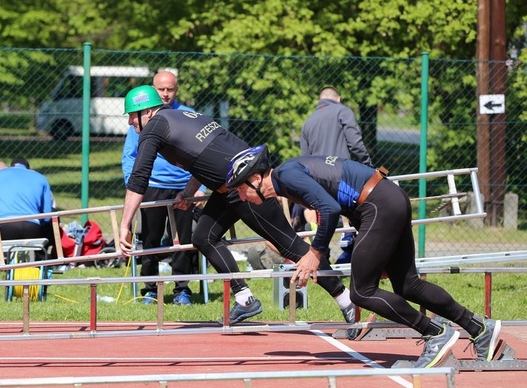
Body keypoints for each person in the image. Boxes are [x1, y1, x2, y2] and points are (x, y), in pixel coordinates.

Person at [225, 147, 502, 368]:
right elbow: (345, 198)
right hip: (387, 199)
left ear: (257, 178)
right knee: (408, 286)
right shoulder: (289, 176)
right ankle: (478, 327)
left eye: (240, 188)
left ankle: (434, 333)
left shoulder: (286, 177)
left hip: (379, 204)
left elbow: (330, 209)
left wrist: (315, 253)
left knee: (361, 292)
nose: (241, 195)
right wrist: (374, 245)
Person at [118, 85, 357, 329]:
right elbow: (201, 155)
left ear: (145, 112)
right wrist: (189, 191)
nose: (129, 122)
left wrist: (125, 224)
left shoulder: (153, 128)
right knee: (203, 236)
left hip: (246, 187)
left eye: (130, 115)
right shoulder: (180, 116)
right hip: (231, 185)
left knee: (292, 246)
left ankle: (346, 300)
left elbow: (139, 178)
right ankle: (245, 299)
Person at [121, 71, 205, 306]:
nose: (166, 94)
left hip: (183, 188)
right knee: (150, 239)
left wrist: (199, 188)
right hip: (152, 186)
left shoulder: (186, 115)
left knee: (183, 240)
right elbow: (130, 155)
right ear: (153, 90)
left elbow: (202, 152)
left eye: (170, 89)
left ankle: (182, 289)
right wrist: (132, 183)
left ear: (176, 90)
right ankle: (150, 289)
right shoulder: (142, 118)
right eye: (161, 89)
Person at [297, 86, 375, 263]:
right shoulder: (342, 111)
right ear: (338, 98)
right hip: (340, 173)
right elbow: (355, 143)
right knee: (355, 205)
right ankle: (348, 235)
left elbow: (304, 158)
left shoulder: (308, 122)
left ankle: (319, 237)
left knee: (320, 209)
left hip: (317, 178)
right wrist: (368, 166)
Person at [0, 157, 56, 262]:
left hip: (5, 225)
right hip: (33, 227)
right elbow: (47, 216)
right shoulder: (41, 178)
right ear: (28, 168)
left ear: (11, 166)